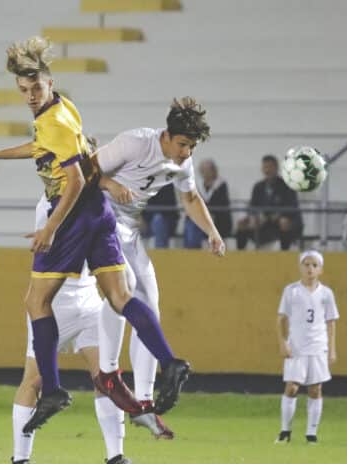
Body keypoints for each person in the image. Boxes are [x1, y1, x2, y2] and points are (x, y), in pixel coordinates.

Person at [0, 37, 218, 433]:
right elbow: (42, 148)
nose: (30, 96)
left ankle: (52, 389)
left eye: (35, 88)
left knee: (35, 300)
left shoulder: (55, 121)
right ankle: (170, 361)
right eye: (23, 90)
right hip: (102, 215)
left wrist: (51, 227)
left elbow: (77, 177)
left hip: (75, 214)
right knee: (122, 296)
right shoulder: (63, 108)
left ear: (49, 82)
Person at [92, 98, 224, 431]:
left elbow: (191, 199)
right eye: (182, 144)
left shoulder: (184, 162)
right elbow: (84, 170)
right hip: (99, 222)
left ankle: (145, 400)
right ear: (166, 135)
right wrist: (111, 184)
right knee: (125, 292)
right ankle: (108, 373)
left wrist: (213, 232)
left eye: (192, 146)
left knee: (150, 303)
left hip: (129, 231)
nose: (186, 153)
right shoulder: (135, 142)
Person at [12, 195, 156, 464]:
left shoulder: (98, 197)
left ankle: (116, 456)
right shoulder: (50, 203)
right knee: (34, 380)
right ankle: (20, 458)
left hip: (89, 301)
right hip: (51, 305)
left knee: (105, 377)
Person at [275, 250, 339, 444]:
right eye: (306, 264)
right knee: (292, 387)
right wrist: (282, 342)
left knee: (315, 389)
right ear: (300, 267)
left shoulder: (326, 294)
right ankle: (285, 431)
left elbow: (331, 322)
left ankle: (311, 434)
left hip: (318, 347)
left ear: (320, 269)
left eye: (314, 265)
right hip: (297, 346)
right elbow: (281, 318)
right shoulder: (291, 290)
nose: (310, 268)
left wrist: (332, 349)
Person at [236, 155, 303, 250]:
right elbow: (252, 207)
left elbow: (291, 208)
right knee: (241, 224)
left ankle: (284, 255)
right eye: (265, 167)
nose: (267, 170)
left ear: (276, 168)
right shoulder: (258, 187)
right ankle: (240, 255)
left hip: (279, 222)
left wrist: (278, 216)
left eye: (270, 167)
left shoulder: (286, 186)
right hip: (263, 222)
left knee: (284, 222)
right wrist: (253, 217)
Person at [182, 159, 232, 248]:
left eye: (207, 170)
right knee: (190, 221)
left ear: (213, 170)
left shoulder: (221, 184)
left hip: (218, 219)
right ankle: (191, 249)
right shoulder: (199, 185)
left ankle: (193, 248)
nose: (204, 173)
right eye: (203, 171)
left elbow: (221, 203)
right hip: (203, 218)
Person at [141, 184, 179, 248]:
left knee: (158, 221)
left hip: (166, 220)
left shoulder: (167, 182)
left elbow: (167, 206)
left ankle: (161, 254)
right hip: (146, 219)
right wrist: (140, 217)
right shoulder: (143, 180)